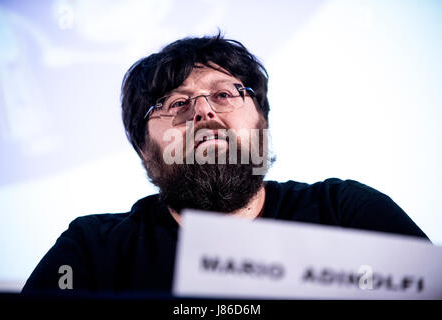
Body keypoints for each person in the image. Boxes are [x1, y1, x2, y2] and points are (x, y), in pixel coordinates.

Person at [21, 33, 429, 295]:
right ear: (144, 149)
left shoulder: (345, 212)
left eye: (224, 94)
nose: (203, 113)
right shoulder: (93, 248)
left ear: (262, 123)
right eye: (177, 103)